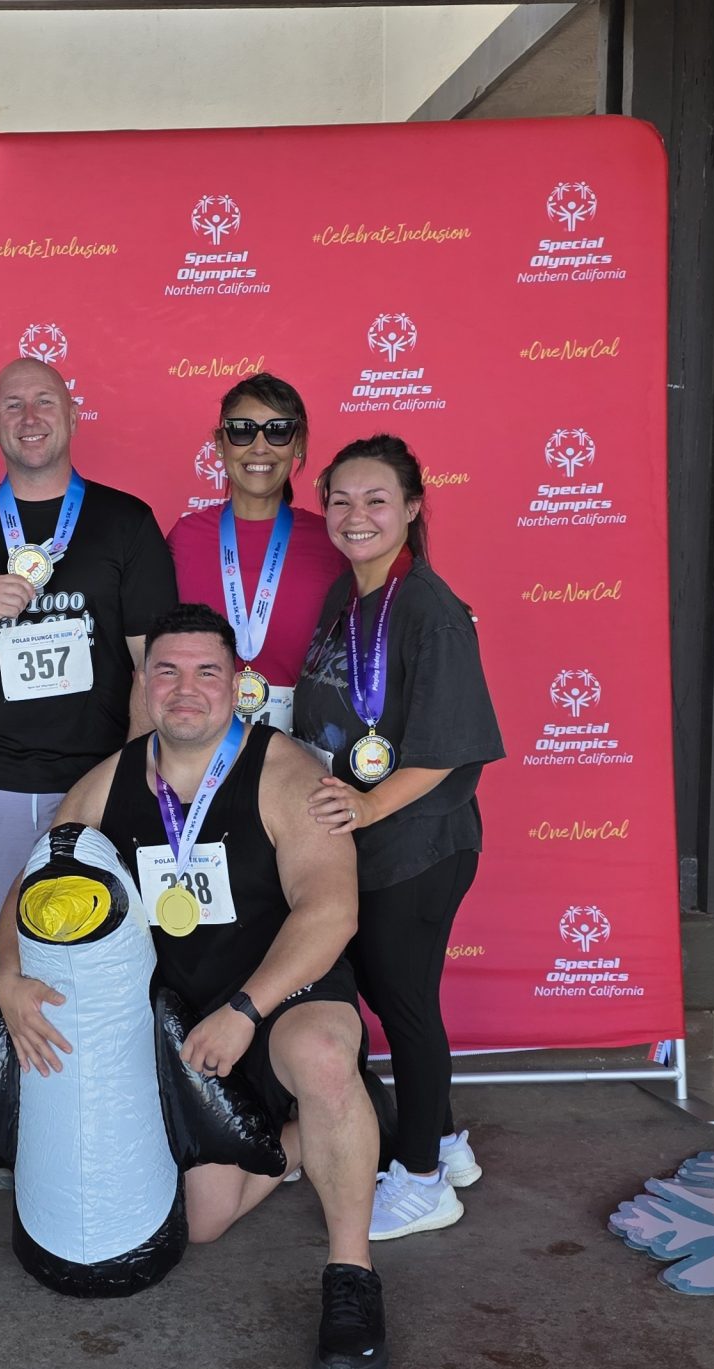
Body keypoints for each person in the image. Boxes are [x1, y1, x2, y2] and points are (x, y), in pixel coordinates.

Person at [0, 604, 388, 1369]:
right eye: (165, 670)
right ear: (141, 684)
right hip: (180, 1032)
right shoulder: (106, 784)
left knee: (320, 1056)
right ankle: (327, 1130)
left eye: (207, 671)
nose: (185, 688)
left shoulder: (288, 772)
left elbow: (332, 910)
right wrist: (6, 973)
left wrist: (245, 1011)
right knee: (201, 1224)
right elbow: (25, 888)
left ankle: (352, 1275)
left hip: (279, 1002)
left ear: (236, 684)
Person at [0, 356, 176, 1186]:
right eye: (11, 404)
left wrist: (127, 785)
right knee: (17, 961)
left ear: (71, 413)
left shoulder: (125, 523)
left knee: (121, 954)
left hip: (103, 780)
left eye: (43, 401)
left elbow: (152, 669)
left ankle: (129, 1118)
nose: (29, 416)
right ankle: (25, 1123)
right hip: (2, 780)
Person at [293, 434, 505, 1242]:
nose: (357, 516)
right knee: (391, 993)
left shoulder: (429, 610)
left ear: (413, 507)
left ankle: (420, 1179)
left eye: (377, 499)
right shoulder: (346, 600)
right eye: (341, 500)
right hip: (367, 846)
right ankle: (445, 1141)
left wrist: (371, 811)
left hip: (418, 844)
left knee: (407, 1005)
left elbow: (453, 746)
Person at [165, 374, 349, 734]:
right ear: (220, 444)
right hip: (200, 746)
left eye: (278, 430)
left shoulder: (333, 541)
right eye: (242, 430)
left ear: (298, 443)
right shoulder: (184, 538)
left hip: (304, 750)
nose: (260, 446)